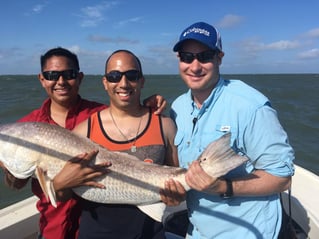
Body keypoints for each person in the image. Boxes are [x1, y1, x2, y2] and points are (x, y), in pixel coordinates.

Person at [2, 47, 167, 239]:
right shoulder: (24, 130)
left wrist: (146, 105)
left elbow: (125, 112)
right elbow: (16, 183)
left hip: (93, 226)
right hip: (53, 228)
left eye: (69, 74)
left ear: (80, 77)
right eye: (52, 75)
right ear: (42, 79)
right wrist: (7, 164)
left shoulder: (97, 116)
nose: (61, 81)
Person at [162, 22, 295, 238]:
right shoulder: (177, 107)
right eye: (187, 57)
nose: (195, 67)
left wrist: (224, 187)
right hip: (197, 231)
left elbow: (281, 178)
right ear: (179, 60)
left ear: (219, 58)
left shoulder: (251, 106)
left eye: (204, 56)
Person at [72, 49, 179, 239]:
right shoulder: (83, 132)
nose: (123, 83)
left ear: (142, 81)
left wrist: (176, 196)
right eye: (114, 76)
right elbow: (68, 183)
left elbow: (176, 177)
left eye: (132, 75)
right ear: (105, 83)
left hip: (151, 233)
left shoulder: (165, 125)